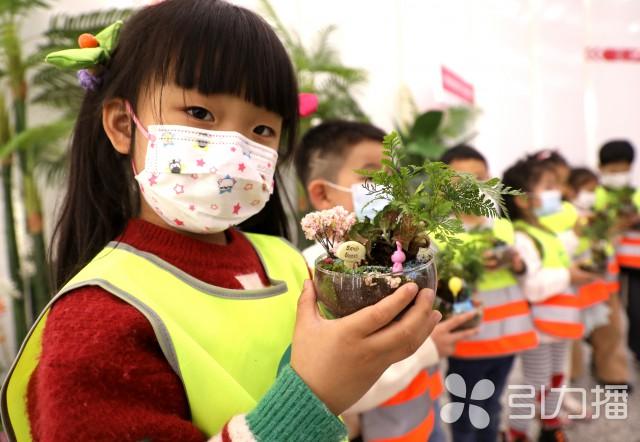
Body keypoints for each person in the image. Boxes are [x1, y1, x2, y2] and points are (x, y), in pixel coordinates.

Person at [0, 2, 443, 441]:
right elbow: (322, 392)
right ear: (121, 125)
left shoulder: (286, 262)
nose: (234, 148)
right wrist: (310, 399)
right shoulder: (98, 318)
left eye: (262, 130)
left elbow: (343, 384)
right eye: (199, 114)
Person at [295, 120, 477, 442]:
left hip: (424, 410)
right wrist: (428, 348)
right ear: (322, 194)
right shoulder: (319, 272)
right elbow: (332, 380)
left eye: (392, 178)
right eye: (371, 176)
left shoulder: (404, 250)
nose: (387, 189)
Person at [439, 145, 538, 442]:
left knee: (493, 404)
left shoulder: (504, 226)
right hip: (469, 338)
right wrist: (467, 271)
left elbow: (527, 271)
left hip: (509, 336)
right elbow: (438, 284)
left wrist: (518, 264)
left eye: (480, 177)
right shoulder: (439, 232)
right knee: (467, 408)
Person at [503, 158, 591, 442]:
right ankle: (516, 432)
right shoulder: (522, 237)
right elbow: (532, 287)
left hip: (560, 322)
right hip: (538, 327)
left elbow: (573, 249)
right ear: (524, 201)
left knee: (556, 378)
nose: (559, 194)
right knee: (535, 383)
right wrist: (569, 276)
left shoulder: (550, 233)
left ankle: (551, 426)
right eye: (549, 187)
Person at [566, 168, 629, 387]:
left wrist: (613, 229)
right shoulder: (565, 216)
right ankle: (570, 375)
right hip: (574, 286)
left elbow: (612, 244)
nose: (592, 194)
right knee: (570, 335)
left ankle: (612, 374)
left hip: (604, 284)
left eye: (595, 189)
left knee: (611, 331)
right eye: (588, 189)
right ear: (571, 190)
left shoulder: (602, 212)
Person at [594, 140, 640, 363]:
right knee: (607, 316)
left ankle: (636, 352)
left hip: (635, 264)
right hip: (606, 264)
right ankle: (604, 358)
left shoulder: (636, 194)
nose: (619, 175)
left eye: (623, 169)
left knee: (636, 311)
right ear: (601, 168)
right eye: (613, 170)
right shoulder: (596, 195)